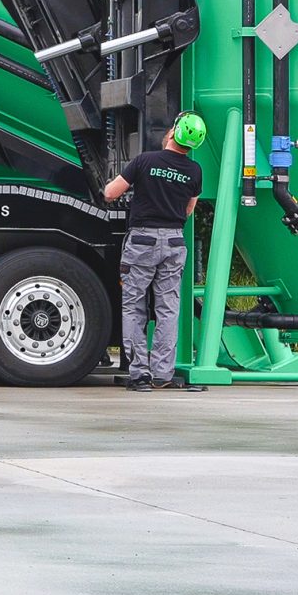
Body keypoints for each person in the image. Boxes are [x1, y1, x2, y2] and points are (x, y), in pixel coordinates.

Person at [103, 112, 210, 393]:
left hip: (142, 242)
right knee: (168, 308)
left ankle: (139, 375)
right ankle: (163, 374)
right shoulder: (194, 171)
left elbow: (111, 193)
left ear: (174, 132)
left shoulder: (145, 161)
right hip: (175, 243)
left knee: (134, 305)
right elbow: (189, 208)